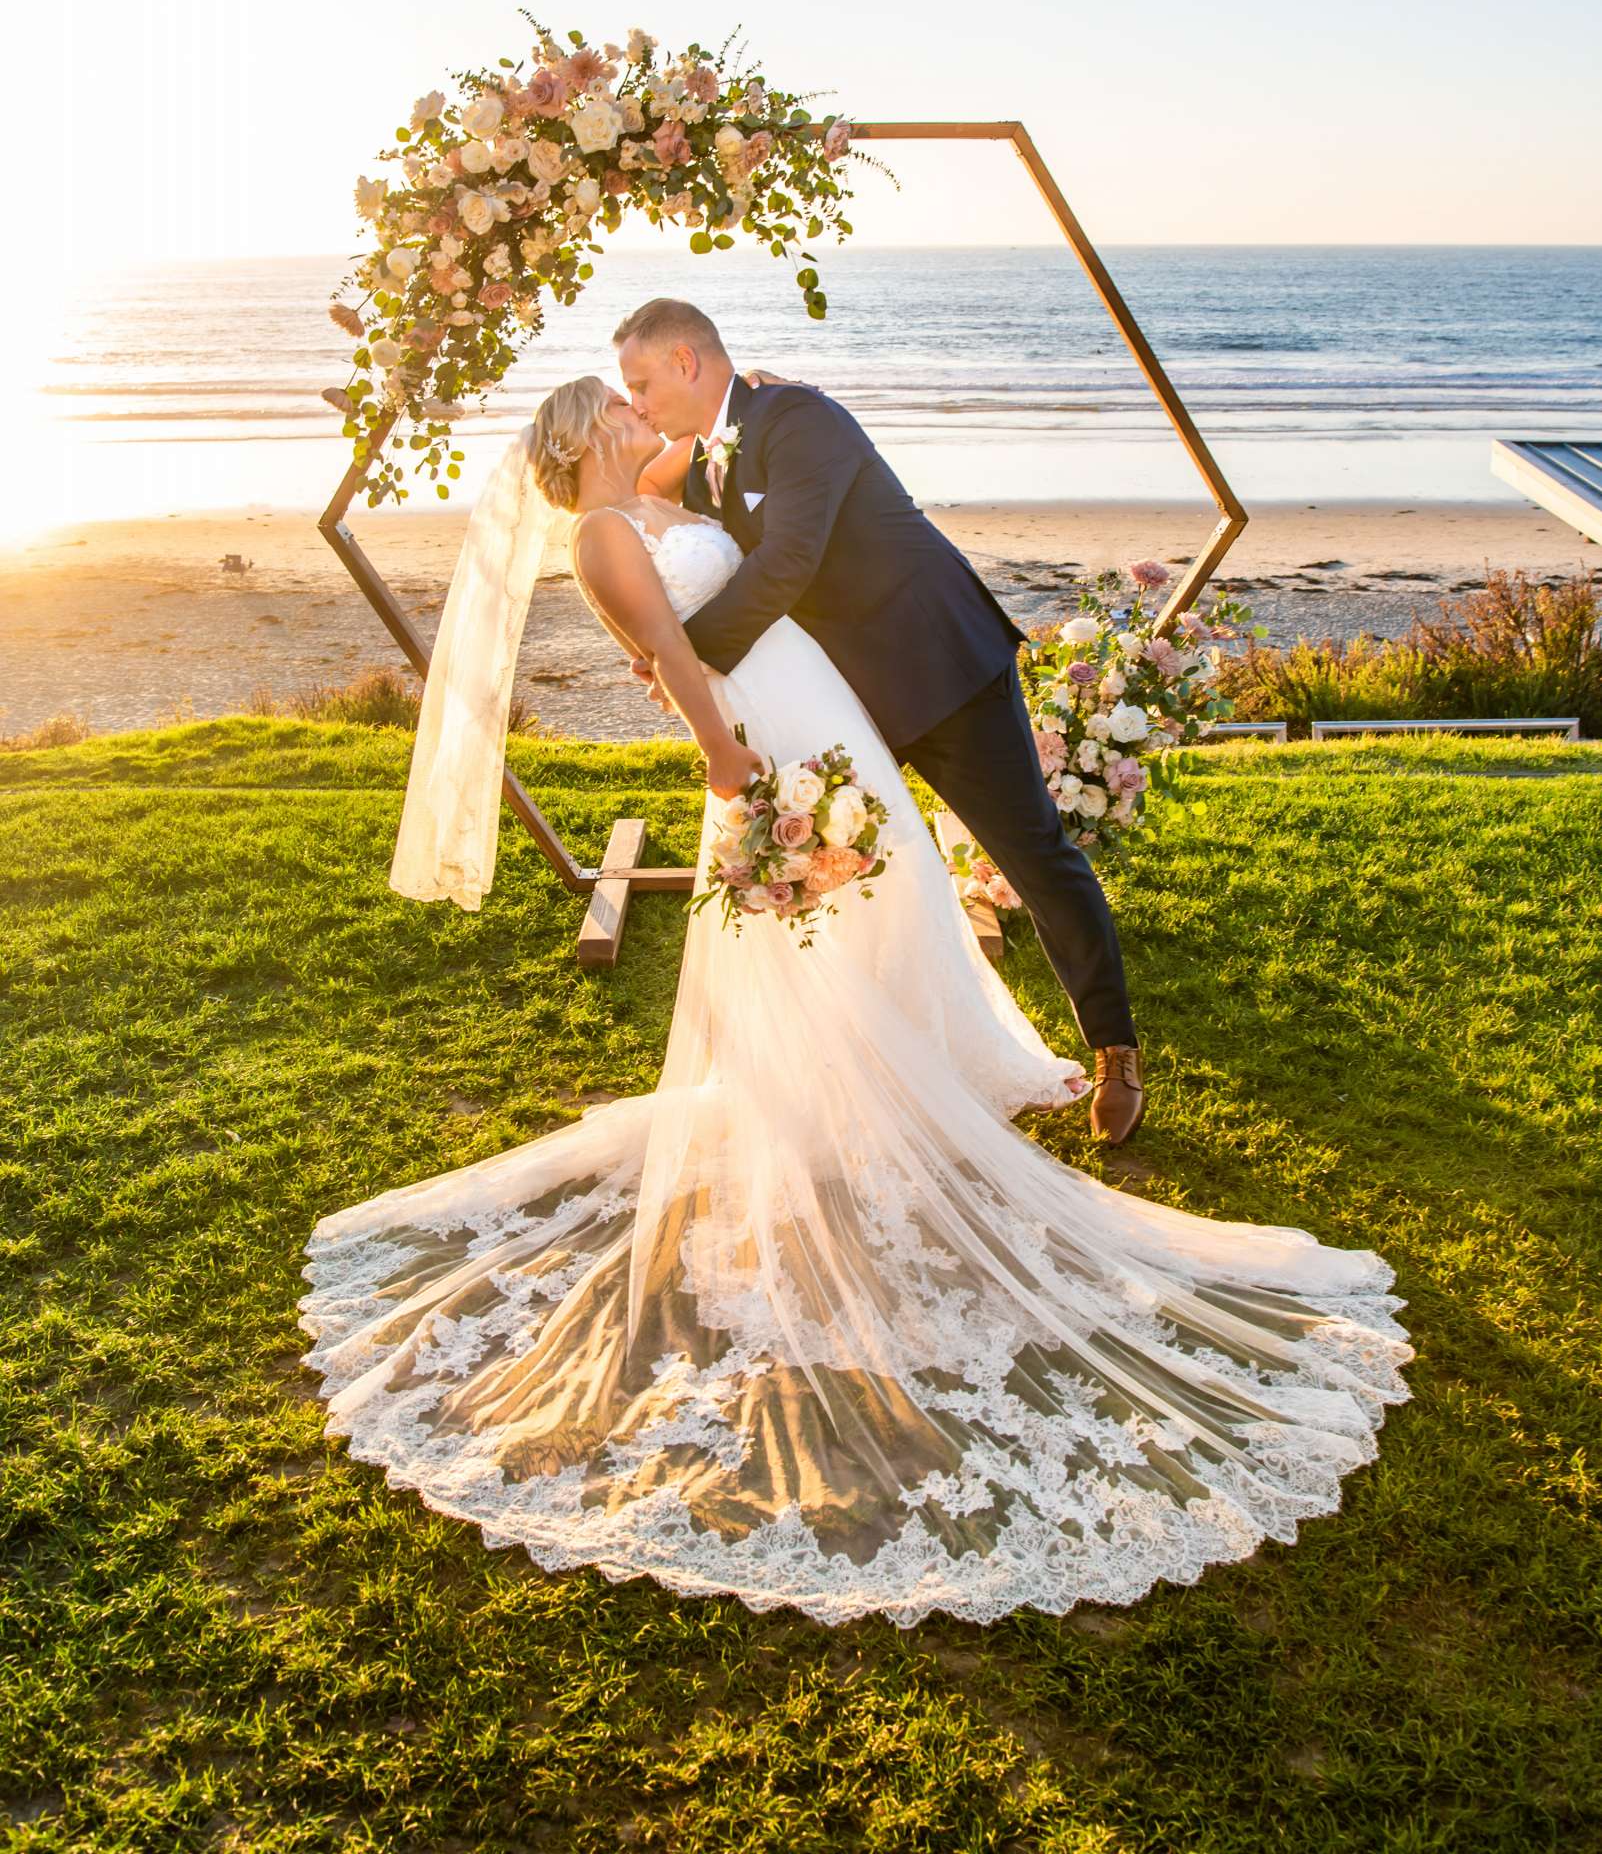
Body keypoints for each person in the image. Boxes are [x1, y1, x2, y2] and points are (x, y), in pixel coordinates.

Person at [299, 370, 1411, 1630]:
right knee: (835, 913)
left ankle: (901, 1063)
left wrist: (715, 446)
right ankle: (845, 1096)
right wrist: (734, 768)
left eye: (638, 385)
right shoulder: (604, 536)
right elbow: (666, 656)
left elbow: (718, 527)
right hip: (768, 733)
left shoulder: (654, 497)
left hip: (818, 712)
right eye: (620, 401)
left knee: (898, 895)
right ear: (588, 434)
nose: (637, 407)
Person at [613, 298, 1147, 1143]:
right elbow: (626, 487)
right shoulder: (709, 459)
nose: (636, 401)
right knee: (872, 873)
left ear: (686, 361)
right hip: (840, 701)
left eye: (639, 382)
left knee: (1033, 850)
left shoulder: (796, 417)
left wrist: (685, 661)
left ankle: (1115, 1049)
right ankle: (885, 1061)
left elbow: (788, 561)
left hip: (939, 668)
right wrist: (673, 656)